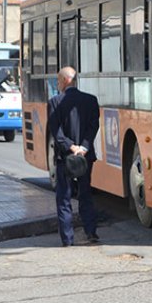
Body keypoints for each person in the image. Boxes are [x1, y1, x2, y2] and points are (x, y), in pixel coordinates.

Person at [47, 66, 100, 247]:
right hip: (85, 157)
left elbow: (56, 131)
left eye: (59, 80)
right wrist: (83, 147)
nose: (58, 83)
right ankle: (91, 232)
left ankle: (68, 239)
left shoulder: (55, 102)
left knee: (64, 197)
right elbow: (94, 126)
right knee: (86, 194)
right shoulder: (91, 100)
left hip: (65, 157)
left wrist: (70, 147)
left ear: (64, 81)